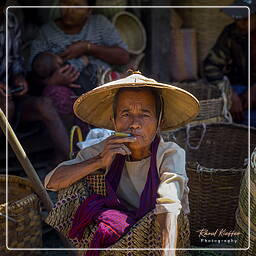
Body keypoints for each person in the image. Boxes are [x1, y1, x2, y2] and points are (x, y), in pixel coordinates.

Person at [43, 72, 199, 255]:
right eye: (126, 114)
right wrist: (99, 160)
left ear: (159, 123)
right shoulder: (108, 148)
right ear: (114, 122)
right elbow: (51, 182)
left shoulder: (170, 153)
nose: (134, 124)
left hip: (159, 232)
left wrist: (168, 252)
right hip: (119, 229)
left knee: (168, 216)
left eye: (145, 114)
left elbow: (169, 204)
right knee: (74, 184)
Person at [29, 0, 129, 133]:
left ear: (89, 10)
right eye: (65, 3)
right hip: (72, 91)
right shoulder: (47, 33)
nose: (69, 10)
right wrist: (51, 81)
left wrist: (87, 47)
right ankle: (76, 143)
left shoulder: (99, 23)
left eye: (77, 5)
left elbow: (123, 56)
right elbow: (33, 72)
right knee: (57, 94)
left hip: (101, 83)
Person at [0, 2, 69, 165]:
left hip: (11, 96)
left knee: (45, 105)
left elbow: (15, 59)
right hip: (5, 103)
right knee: (5, 106)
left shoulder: (10, 22)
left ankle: (69, 161)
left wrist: (19, 78)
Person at [203, 0, 256, 126]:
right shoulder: (231, 33)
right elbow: (211, 66)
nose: (239, 23)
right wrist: (229, 93)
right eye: (237, 18)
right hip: (240, 90)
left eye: (245, 19)